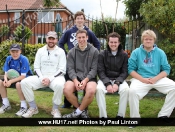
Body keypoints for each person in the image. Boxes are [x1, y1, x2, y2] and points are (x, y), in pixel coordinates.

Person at [128, 29, 175, 119]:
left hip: (157, 79)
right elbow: (130, 70)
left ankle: (163, 115)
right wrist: (142, 79)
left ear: (154, 40)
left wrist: (155, 79)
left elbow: (166, 70)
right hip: (141, 79)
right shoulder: (136, 52)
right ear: (143, 40)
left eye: (150, 39)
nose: (148, 41)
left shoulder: (160, 53)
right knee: (132, 91)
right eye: (146, 39)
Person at [58, 11, 100, 108]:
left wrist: (93, 54)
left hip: (85, 60)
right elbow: (60, 43)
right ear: (75, 20)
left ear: (84, 20)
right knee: (70, 78)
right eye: (78, 18)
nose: (80, 20)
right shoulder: (69, 31)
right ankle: (68, 103)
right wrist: (65, 54)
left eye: (81, 18)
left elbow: (97, 44)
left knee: (84, 81)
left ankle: (82, 105)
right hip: (73, 58)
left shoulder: (89, 32)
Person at [20, 31, 66, 118]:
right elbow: (36, 68)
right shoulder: (40, 51)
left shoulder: (61, 51)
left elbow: (62, 69)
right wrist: (42, 78)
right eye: (49, 39)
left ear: (56, 40)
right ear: (46, 39)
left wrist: (50, 79)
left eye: (53, 39)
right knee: (24, 82)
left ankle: (55, 109)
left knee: (60, 85)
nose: (51, 41)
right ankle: (33, 108)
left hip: (56, 77)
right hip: (42, 76)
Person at [62, 29, 99, 118]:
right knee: (66, 90)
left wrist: (86, 80)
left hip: (89, 77)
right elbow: (70, 69)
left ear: (87, 37)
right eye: (79, 37)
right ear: (76, 38)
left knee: (91, 91)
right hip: (75, 77)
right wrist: (75, 81)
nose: (81, 39)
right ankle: (81, 111)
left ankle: (76, 113)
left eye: (83, 37)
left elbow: (94, 69)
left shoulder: (94, 51)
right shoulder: (71, 52)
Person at [96, 32, 129, 118]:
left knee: (126, 90)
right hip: (105, 79)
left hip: (119, 79)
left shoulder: (124, 55)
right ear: (108, 42)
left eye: (115, 42)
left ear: (119, 43)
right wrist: (107, 83)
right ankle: (103, 116)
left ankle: (120, 115)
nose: (113, 44)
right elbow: (100, 71)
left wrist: (117, 83)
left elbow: (125, 71)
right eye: (111, 42)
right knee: (99, 89)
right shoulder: (102, 54)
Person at [0, 44, 33, 116]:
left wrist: (10, 81)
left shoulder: (24, 59)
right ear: (10, 52)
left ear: (20, 51)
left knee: (18, 84)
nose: (15, 54)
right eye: (13, 52)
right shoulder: (8, 58)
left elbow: (23, 76)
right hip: (12, 77)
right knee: (0, 82)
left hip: (24, 77)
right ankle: (6, 104)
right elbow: (6, 72)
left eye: (16, 51)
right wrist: (5, 80)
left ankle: (24, 107)